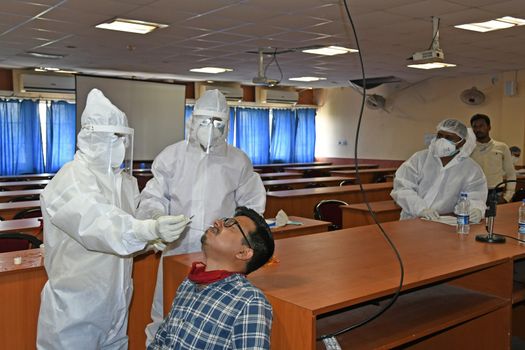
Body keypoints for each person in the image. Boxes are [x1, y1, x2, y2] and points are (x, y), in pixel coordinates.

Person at [37, 89, 190, 350]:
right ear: (93, 137)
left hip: (116, 303)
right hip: (75, 309)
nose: (122, 146)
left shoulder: (123, 183)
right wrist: (148, 229)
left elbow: (126, 234)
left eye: (123, 138)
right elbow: (99, 224)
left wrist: (151, 239)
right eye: (115, 138)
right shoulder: (70, 180)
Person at [136, 89, 267, 343]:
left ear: (227, 125)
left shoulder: (238, 161)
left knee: (213, 322)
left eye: (218, 122)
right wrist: (158, 220)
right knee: (165, 315)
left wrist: (236, 239)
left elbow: (252, 207)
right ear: (192, 121)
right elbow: (152, 197)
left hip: (221, 257)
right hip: (176, 248)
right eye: (204, 120)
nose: (210, 127)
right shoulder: (172, 156)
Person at [148, 206, 274, 350]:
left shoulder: (249, 301)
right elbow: (160, 341)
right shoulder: (189, 283)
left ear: (243, 252)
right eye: (225, 220)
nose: (217, 222)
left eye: (231, 225)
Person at [391, 119, 487, 222]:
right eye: (440, 136)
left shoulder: (471, 169)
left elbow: (475, 194)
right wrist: (421, 209)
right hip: (412, 219)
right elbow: (402, 188)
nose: (442, 141)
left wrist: (476, 209)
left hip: (445, 222)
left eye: (449, 138)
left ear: (462, 142)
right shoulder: (420, 158)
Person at [470, 114, 516, 203]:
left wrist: (507, 197)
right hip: (474, 194)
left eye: (481, 126)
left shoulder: (502, 147)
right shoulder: (469, 148)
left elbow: (511, 173)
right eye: (475, 127)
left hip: (496, 193)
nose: (478, 129)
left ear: (489, 127)